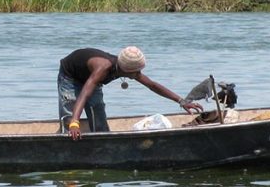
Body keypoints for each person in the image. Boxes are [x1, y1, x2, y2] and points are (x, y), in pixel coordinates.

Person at [58, 46, 202, 140]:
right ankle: (67, 140)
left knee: (98, 111)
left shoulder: (125, 68)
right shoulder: (103, 68)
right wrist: (75, 122)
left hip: (91, 79)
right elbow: (84, 93)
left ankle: (102, 144)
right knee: (69, 117)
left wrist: (181, 101)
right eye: (137, 72)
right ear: (127, 70)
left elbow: (152, 85)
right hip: (70, 77)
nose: (139, 74)